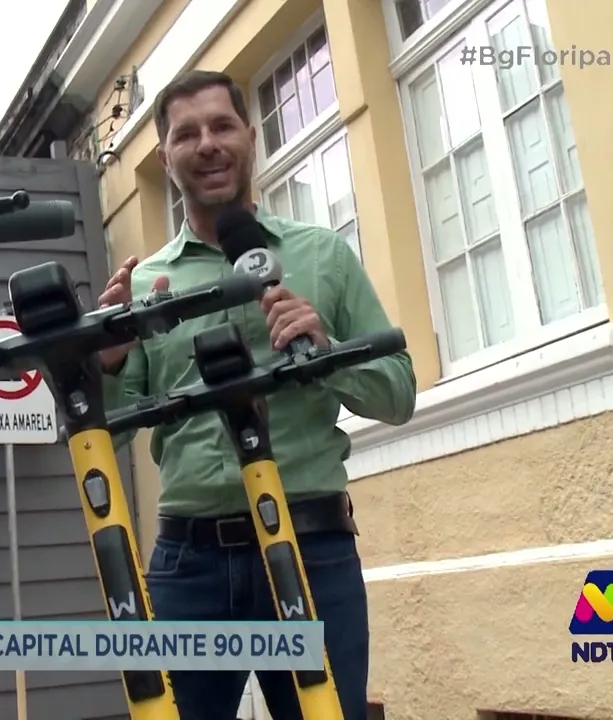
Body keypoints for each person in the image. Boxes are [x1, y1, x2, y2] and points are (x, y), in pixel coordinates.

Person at [98, 69, 416, 720]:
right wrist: (105, 362)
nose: (207, 144)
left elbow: (399, 394)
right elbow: (111, 434)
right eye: (186, 134)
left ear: (250, 135)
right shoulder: (146, 283)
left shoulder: (322, 255)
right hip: (189, 564)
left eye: (221, 126)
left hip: (312, 548)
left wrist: (326, 354)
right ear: (166, 158)